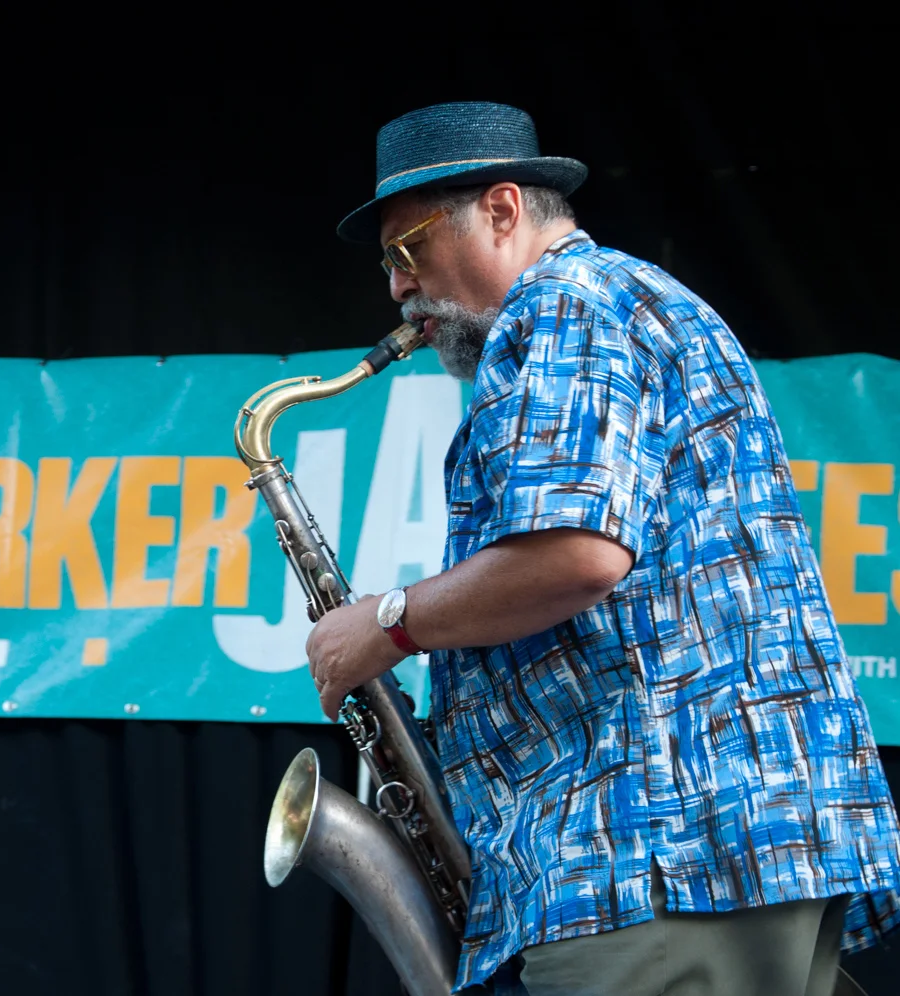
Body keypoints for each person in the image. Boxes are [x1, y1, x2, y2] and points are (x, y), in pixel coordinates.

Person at [304, 100, 900, 995]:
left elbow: (577, 555)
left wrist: (385, 626)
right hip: (701, 848)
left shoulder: (566, 306)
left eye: (407, 249)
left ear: (503, 211)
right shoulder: (621, 302)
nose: (396, 288)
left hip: (655, 849)